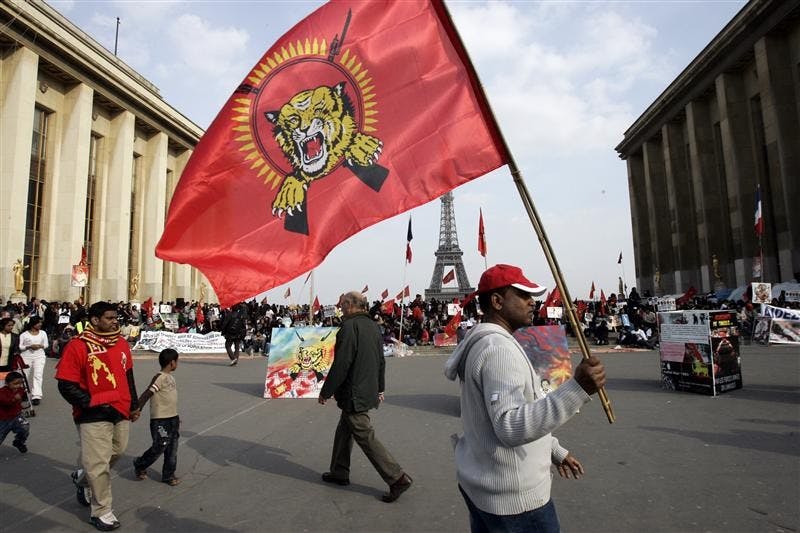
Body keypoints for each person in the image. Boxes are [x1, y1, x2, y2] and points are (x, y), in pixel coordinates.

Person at [444, 264, 606, 532]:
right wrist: (578, 388)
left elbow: (506, 413)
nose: (533, 302)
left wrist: (553, 450)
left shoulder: (486, 343)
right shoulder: (499, 350)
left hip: (489, 488)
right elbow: (509, 425)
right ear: (497, 301)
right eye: (522, 295)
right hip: (515, 502)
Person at [318, 291, 412, 503]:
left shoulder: (350, 327)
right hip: (366, 389)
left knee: (363, 434)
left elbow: (342, 364)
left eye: (342, 304)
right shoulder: (372, 326)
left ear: (351, 305)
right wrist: (380, 387)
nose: (340, 308)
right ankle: (339, 471)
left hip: (354, 392)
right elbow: (381, 361)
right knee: (345, 429)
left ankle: (396, 477)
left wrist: (326, 391)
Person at [55, 301, 140, 532]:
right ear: (94, 320)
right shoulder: (78, 346)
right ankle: (102, 511)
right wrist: (91, 404)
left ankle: (83, 479)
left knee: (118, 451)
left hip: (120, 409)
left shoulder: (121, 343)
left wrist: (133, 404)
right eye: (110, 318)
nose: (115, 322)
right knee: (98, 463)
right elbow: (66, 384)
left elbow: (128, 374)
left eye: (116, 318)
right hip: (92, 414)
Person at [133, 348, 181, 486]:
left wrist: (176, 417)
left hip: (173, 418)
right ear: (172, 363)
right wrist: (137, 409)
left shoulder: (171, 378)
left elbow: (170, 399)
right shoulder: (159, 377)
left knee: (172, 448)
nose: (177, 364)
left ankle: (168, 475)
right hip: (160, 420)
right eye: (177, 361)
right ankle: (140, 463)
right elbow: (147, 393)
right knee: (160, 445)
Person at [19, 316, 48, 405]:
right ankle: (23, 393)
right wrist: (29, 346)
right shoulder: (24, 334)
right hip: (26, 356)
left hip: (39, 356)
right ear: (33, 324)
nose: (40, 324)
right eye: (38, 323)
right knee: (24, 375)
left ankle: (36, 395)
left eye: (41, 322)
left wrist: (40, 346)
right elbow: (20, 347)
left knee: (38, 375)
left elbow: (46, 345)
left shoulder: (43, 333)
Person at [0, 371, 29, 453]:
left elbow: (22, 398)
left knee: (25, 428)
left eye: (20, 383)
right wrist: (13, 399)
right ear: (7, 383)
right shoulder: (2, 392)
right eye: (15, 383)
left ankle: (19, 442)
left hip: (16, 416)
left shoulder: (20, 390)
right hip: (3, 419)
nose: (18, 386)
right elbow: (5, 402)